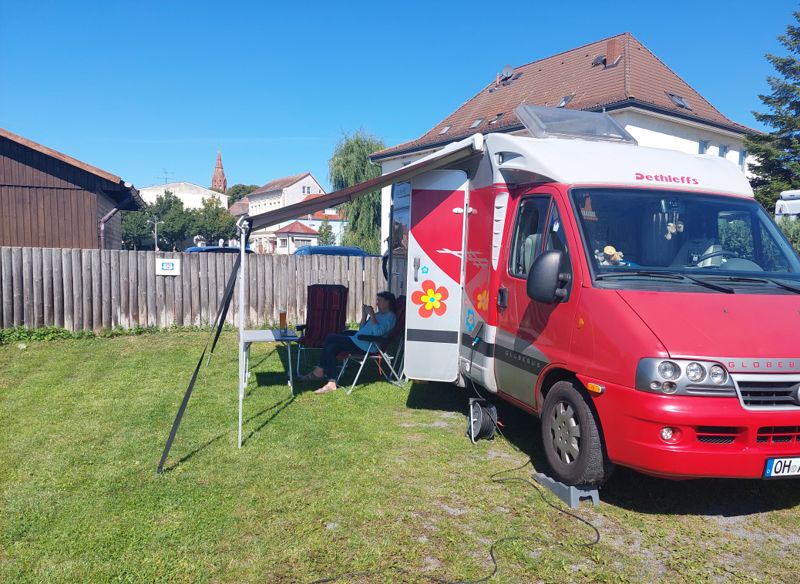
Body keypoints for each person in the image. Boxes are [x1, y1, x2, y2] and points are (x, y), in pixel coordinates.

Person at [301, 291, 397, 394]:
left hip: (368, 345)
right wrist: (364, 315)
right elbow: (362, 329)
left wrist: (372, 315)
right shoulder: (378, 314)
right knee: (331, 347)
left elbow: (378, 333)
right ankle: (331, 382)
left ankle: (319, 371)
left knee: (331, 337)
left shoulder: (390, 316)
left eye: (379, 300)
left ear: (387, 302)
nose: (377, 303)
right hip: (359, 340)